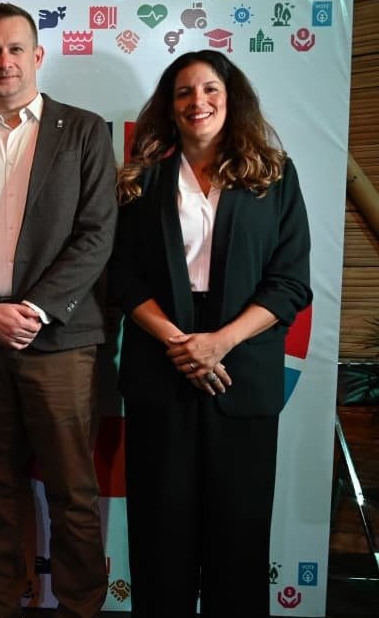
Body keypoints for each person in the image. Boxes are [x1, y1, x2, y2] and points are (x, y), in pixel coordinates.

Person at [0, 3, 115, 618]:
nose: (4, 61)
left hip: (58, 340)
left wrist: (33, 309)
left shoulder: (84, 131)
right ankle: (1, 600)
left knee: (73, 490)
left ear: (38, 56)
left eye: (15, 49)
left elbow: (97, 235)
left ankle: (80, 605)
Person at [109, 50, 311, 617]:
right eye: (184, 92)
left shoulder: (273, 175)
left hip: (242, 368)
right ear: (169, 107)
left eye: (209, 90)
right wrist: (179, 342)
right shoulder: (142, 179)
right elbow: (123, 276)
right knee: (160, 535)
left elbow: (290, 282)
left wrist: (220, 342)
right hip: (161, 364)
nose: (197, 101)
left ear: (230, 98)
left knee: (238, 538)